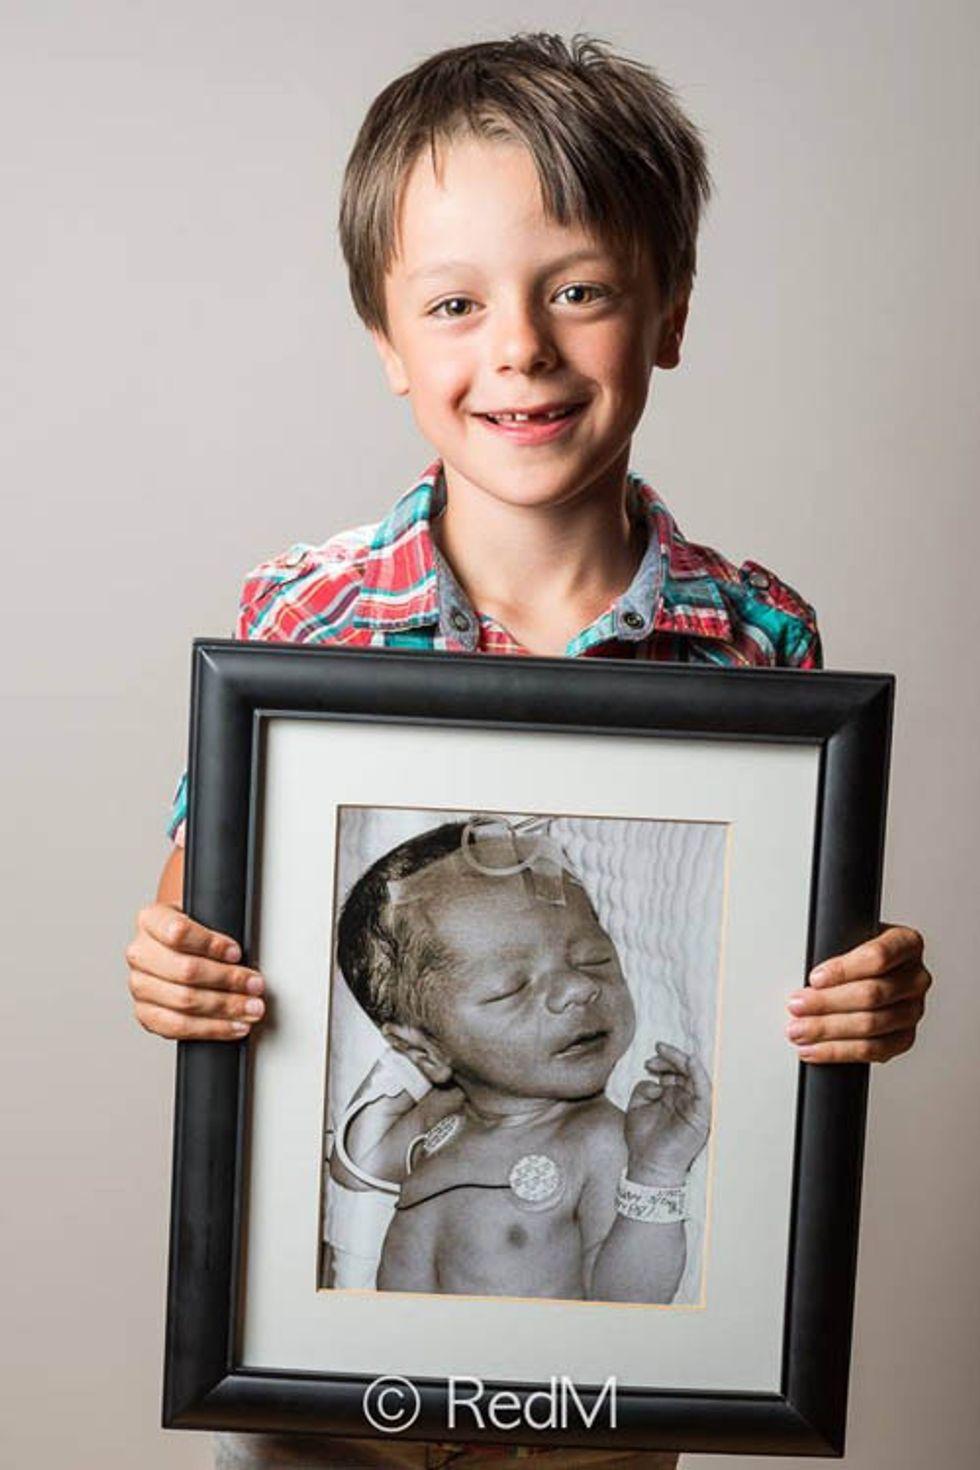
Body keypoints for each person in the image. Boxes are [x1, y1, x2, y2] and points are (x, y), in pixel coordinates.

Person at [124, 31, 932, 1470]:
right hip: (333, 1396)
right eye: (453, 302)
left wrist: (862, 985)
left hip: (620, 1394)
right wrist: (174, 959)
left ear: (669, 309)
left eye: (580, 289)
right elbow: (206, 899)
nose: (520, 348)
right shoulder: (305, 616)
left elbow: (790, 971)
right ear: (385, 336)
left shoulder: (754, 640)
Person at [328, 815, 711, 1302]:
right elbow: (354, 1162)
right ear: (424, 1048)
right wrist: (417, 1058)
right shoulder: (440, 1124)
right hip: (401, 1374)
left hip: (519, 1377)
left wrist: (656, 1173)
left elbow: (627, 1303)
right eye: (510, 988)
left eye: (593, 959)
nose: (577, 988)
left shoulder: (593, 1138)